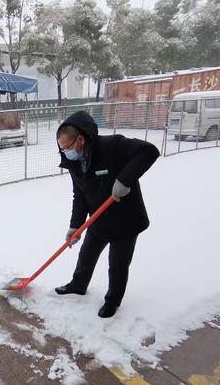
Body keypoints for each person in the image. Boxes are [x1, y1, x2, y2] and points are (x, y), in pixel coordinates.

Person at [55, 111, 159, 318]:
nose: (65, 152)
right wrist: (75, 226)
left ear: (81, 140)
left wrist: (124, 180)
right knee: (86, 255)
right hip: (99, 218)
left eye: (67, 147)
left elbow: (149, 151)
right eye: (61, 148)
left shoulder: (111, 146)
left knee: (118, 265)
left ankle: (112, 301)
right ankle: (78, 285)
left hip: (125, 220)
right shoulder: (74, 163)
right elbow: (80, 196)